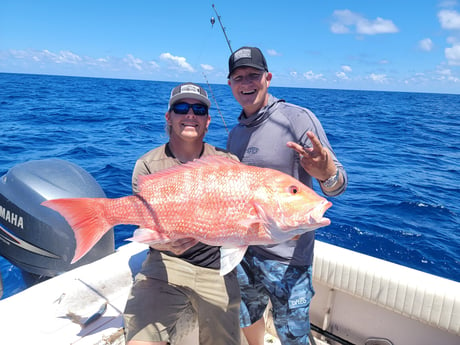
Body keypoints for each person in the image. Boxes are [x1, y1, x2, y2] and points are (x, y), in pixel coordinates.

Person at [226, 47, 348, 345]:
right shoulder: (236, 132)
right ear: (230, 84)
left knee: (293, 335)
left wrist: (325, 171)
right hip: (244, 251)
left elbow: (338, 185)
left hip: (289, 259)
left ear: (268, 78)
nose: (246, 83)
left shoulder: (297, 119)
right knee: (247, 315)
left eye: (254, 75)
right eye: (238, 77)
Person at [123, 82, 241, 345]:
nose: (190, 115)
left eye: (199, 109)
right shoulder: (148, 165)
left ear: (208, 120)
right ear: (169, 116)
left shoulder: (228, 163)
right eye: (181, 107)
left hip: (216, 267)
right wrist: (164, 243)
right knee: (140, 340)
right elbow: (145, 226)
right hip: (165, 264)